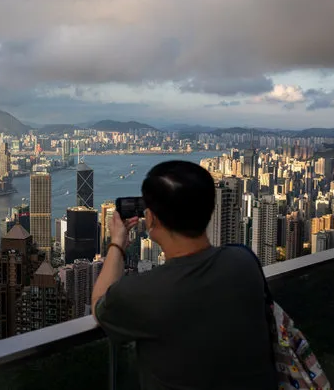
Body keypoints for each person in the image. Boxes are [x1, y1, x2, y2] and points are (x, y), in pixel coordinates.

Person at [91, 160, 277, 390]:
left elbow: (100, 305)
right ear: (210, 212)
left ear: (151, 219)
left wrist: (117, 243)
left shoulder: (144, 293)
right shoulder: (244, 261)